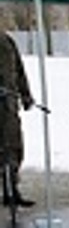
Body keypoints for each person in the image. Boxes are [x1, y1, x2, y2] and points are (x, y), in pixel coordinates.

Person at [1, 29, 36, 207]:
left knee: (13, 147)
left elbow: (19, 71)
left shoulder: (7, 41)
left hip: (9, 105)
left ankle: (12, 190)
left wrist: (25, 95)